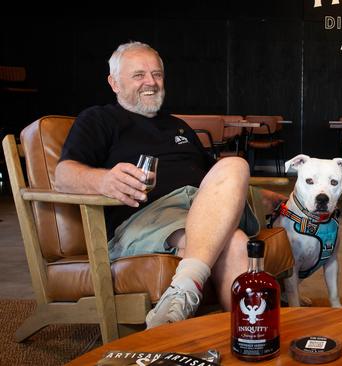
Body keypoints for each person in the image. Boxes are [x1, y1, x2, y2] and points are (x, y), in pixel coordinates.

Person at [54, 41, 262, 329]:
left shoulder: (178, 126)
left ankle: (202, 307)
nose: (151, 82)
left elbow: (216, 179)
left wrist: (265, 195)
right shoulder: (99, 120)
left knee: (234, 166)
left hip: (199, 209)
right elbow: (63, 174)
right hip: (146, 215)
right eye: (139, 75)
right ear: (114, 83)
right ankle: (244, 332)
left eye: (157, 74)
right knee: (235, 242)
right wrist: (103, 179)